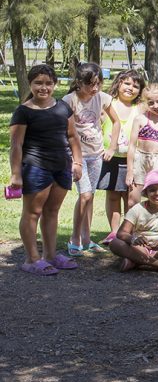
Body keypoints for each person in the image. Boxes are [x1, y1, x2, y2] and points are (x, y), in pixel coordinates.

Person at [10, 63, 83, 274]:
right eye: (38, 83)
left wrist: (77, 163)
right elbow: (16, 145)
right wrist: (16, 174)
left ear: (55, 84)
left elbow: (72, 137)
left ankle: (50, 255)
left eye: (49, 83)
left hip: (61, 166)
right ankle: (32, 259)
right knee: (32, 212)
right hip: (35, 166)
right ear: (30, 84)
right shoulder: (23, 111)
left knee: (52, 211)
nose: (44, 87)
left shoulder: (63, 107)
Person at [63, 62, 119, 256]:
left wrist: (112, 146)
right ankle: (74, 238)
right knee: (85, 195)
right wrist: (71, 158)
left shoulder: (103, 98)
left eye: (98, 84)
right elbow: (64, 130)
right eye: (90, 84)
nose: (95, 89)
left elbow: (116, 121)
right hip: (77, 156)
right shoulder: (69, 100)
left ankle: (86, 239)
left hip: (96, 154)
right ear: (79, 82)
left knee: (91, 196)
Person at [110, 169, 158, 275]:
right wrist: (134, 239)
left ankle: (136, 261)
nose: (157, 193)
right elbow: (121, 233)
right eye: (152, 190)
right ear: (146, 192)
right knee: (115, 243)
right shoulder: (137, 209)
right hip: (140, 248)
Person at [97, 69, 144, 242]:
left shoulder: (139, 108)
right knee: (113, 195)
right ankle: (114, 231)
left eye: (136, 86)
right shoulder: (108, 104)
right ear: (118, 83)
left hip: (132, 160)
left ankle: (128, 230)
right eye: (127, 83)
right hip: (109, 158)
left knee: (129, 196)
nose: (131, 88)